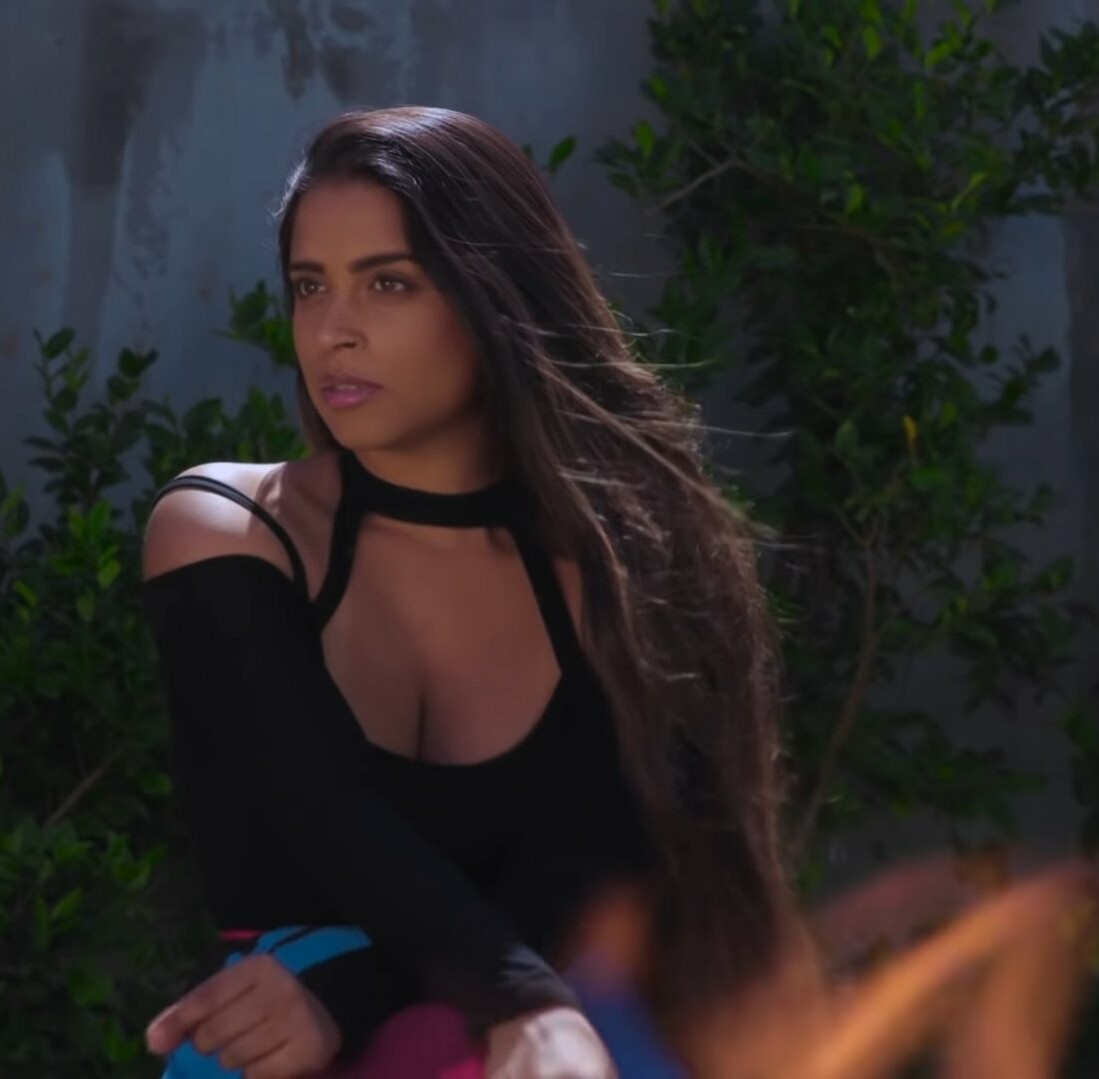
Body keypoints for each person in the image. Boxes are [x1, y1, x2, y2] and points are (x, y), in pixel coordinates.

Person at [136, 104, 799, 1077]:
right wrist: (520, 1002)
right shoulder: (227, 530)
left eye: (389, 283)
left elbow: (596, 861)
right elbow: (336, 826)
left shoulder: (621, 561)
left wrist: (391, 993)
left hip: (541, 1013)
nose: (333, 331)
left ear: (497, 300)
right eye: (310, 286)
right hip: (287, 1041)